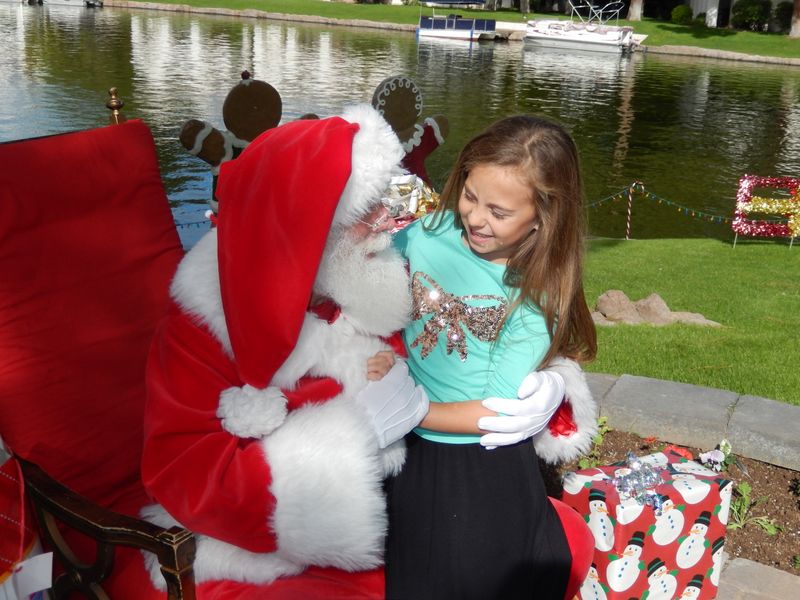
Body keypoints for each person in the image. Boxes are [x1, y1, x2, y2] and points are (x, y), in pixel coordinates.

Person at [384, 114, 598, 600]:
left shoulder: (533, 298)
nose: (476, 218)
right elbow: (369, 292)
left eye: (498, 212)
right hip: (412, 457)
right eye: (470, 195)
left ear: (544, 214)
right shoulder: (427, 233)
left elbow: (495, 412)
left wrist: (407, 412)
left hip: (475, 471)